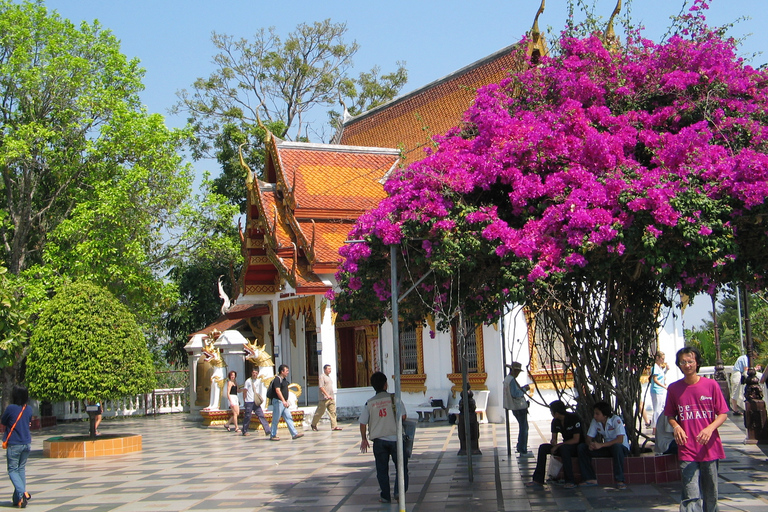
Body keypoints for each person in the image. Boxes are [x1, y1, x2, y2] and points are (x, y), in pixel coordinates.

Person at [664, 346, 728, 512]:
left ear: (697, 363)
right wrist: (676, 426)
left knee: (710, 493)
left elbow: (722, 413)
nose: (687, 365)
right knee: (690, 495)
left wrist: (709, 429)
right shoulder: (674, 389)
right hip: (687, 448)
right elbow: (670, 415)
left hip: (710, 448)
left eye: (690, 361)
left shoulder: (711, 385)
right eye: (683, 362)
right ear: (679, 365)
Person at [359, 371, 408, 504]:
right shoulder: (394, 398)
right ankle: (399, 492)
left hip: (379, 441)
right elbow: (403, 416)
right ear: (386, 384)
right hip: (396, 438)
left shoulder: (369, 403)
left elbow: (363, 423)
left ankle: (385, 496)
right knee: (401, 468)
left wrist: (364, 438)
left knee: (382, 469)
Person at [526, 400, 583, 488]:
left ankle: (570, 480)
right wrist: (553, 443)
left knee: (565, 449)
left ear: (556, 413)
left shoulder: (574, 418)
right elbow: (554, 438)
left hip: (575, 446)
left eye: (551, 412)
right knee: (543, 448)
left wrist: (559, 445)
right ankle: (538, 480)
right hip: (563, 446)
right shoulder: (555, 421)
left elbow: (576, 439)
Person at [577, 401, 631, 490]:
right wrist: (590, 444)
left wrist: (601, 445)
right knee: (582, 448)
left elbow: (620, 440)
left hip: (620, 448)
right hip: (607, 448)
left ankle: (620, 480)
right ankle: (590, 478)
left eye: (597, 414)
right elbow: (588, 437)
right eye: (594, 413)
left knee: (616, 447)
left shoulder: (616, 420)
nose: (595, 416)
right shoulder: (595, 421)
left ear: (605, 415)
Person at [2, 385, 33, 508]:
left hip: (14, 444)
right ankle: (18, 500)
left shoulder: (10, 408)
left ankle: (22, 492)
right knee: (21, 470)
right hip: (26, 443)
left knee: (12, 470)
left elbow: (3, 421)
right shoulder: (29, 409)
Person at [503, 361, 531, 457]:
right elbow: (515, 394)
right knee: (524, 427)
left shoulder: (507, 379)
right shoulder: (512, 381)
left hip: (514, 407)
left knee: (522, 426)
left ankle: (520, 446)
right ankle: (523, 448)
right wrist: (525, 389)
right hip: (519, 406)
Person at [269, 364, 303, 441]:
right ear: (282, 371)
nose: (288, 372)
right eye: (286, 371)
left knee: (288, 417)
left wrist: (286, 401)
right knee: (276, 418)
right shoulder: (277, 379)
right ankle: (273, 434)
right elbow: (278, 390)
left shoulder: (284, 380)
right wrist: (283, 400)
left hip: (284, 402)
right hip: (278, 402)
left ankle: (294, 433)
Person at [241, 368, 271, 437]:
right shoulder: (248, 381)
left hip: (255, 402)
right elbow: (245, 391)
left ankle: (267, 430)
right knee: (248, 416)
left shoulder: (258, 381)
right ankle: (244, 430)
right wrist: (244, 401)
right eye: (254, 373)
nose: (255, 374)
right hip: (249, 401)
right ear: (252, 373)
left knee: (261, 415)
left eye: (256, 373)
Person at [311, 364, 342, 431]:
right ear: (325, 369)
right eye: (328, 369)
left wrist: (331, 396)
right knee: (320, 412)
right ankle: (313, 424)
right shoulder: (322, 377)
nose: (329, 370)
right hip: (324, 398)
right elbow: (321, 387)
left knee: (333, 412)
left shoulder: (329, 377)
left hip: (331, 398)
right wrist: (327, 395)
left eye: (330, 369)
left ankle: (334, 426)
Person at [650, 351, 669, 434]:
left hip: (660, 390)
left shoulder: (659, 367)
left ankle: (657, 426)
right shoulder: (655, 367)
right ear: (657, 358)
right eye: (662, 359)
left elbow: (661, 376)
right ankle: (655, 427)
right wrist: (664, 386)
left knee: (661, 408)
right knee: (657, 409)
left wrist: (666, 370)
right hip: (656, 390)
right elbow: (655, 379)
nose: (663, 361)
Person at [730, 351, 752, 415]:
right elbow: (745, 371)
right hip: (737, 374)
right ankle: (735, 409)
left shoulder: (743, 357)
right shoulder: (745, 358)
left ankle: (735, 408)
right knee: (735, 391)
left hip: (736, 374)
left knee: (735, 391)